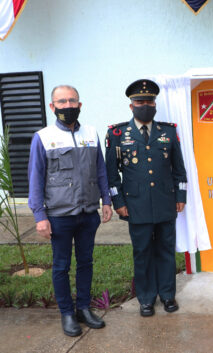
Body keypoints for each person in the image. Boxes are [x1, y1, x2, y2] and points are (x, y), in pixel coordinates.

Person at [28, 85, 113, 337]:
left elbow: (100, 170)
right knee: (61, 266)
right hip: (59, 215)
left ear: (80, 105)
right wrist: (39, 216)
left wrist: (106, 200)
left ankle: (84, 309)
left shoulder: (91, 133)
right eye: (61, 102)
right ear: (52, 106)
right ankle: (67, 313)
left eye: (72, 101)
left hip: (88, 213)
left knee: (86, 262)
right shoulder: (43, 137)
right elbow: (35, 178)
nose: (67, 106)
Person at [105, 79, 187, 317]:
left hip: (165, 201)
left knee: (165, 250)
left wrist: (180, 195)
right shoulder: (118, 133)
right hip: (135, 204)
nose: (145, 105)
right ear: (131, 106)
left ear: (155, 104)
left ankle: (168, 295)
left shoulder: (168, 131)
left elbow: (178, 169)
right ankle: (146, 298)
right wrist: (118, 202)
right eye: (140, 101)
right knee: (142, 252)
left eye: (149, 101)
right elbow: (111, 174)